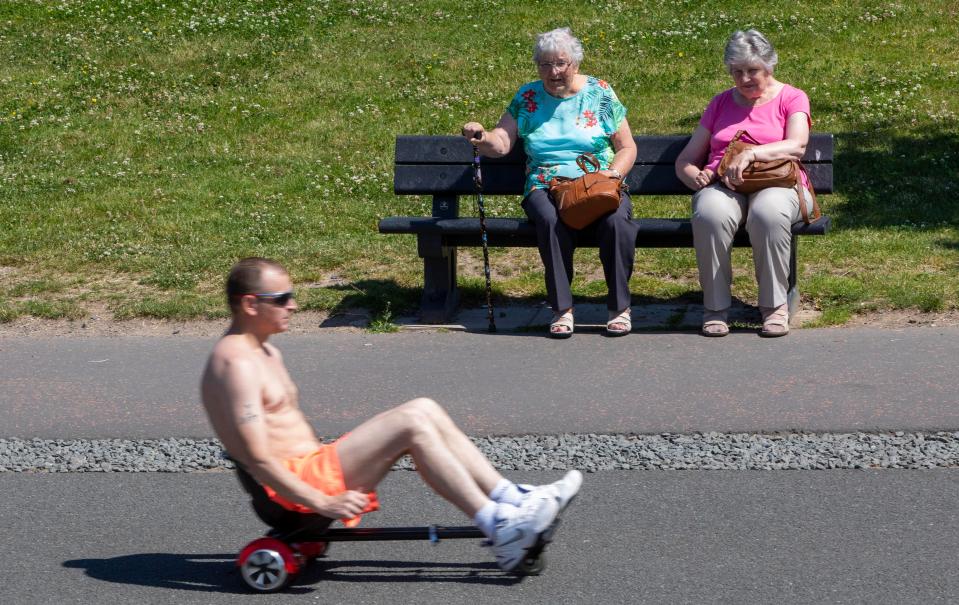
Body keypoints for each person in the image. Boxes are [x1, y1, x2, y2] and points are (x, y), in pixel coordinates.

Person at [200, 257, 582, 572]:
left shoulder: (263, 350)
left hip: (313, 469)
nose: (293, 305)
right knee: (411, 424)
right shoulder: (235, 364)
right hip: (295, 492)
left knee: (423, 408)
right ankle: (500, 527)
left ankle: (512, 499)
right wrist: (323, 504)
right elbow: (259, 459)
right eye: (281, 298)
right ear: (251, 304)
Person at [462, 27, 638, 338]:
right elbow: (502, 143)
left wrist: (614, 175)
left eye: (560, 64)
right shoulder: (528, 96)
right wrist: (483, 136)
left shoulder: (600, 92)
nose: (553, 72)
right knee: (549, 220)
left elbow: (626, 146)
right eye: (544, 65)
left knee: (617, 223)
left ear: (576, 64)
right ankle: (562, 309)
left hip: (597, 181)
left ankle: (619, 308)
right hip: (544, 183)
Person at [675, 29, 814, 338]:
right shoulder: (721, 102)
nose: (745, 78)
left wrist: (751, 154)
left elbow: (797, 145)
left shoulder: (792, 97)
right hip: (725, 185)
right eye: (737, 72)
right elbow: (685, 160)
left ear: (770, 66)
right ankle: (715, 309)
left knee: (768, 212)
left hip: (778, 181)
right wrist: (694, 177)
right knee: (709, 213)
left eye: (752, 70)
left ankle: (774, 308)